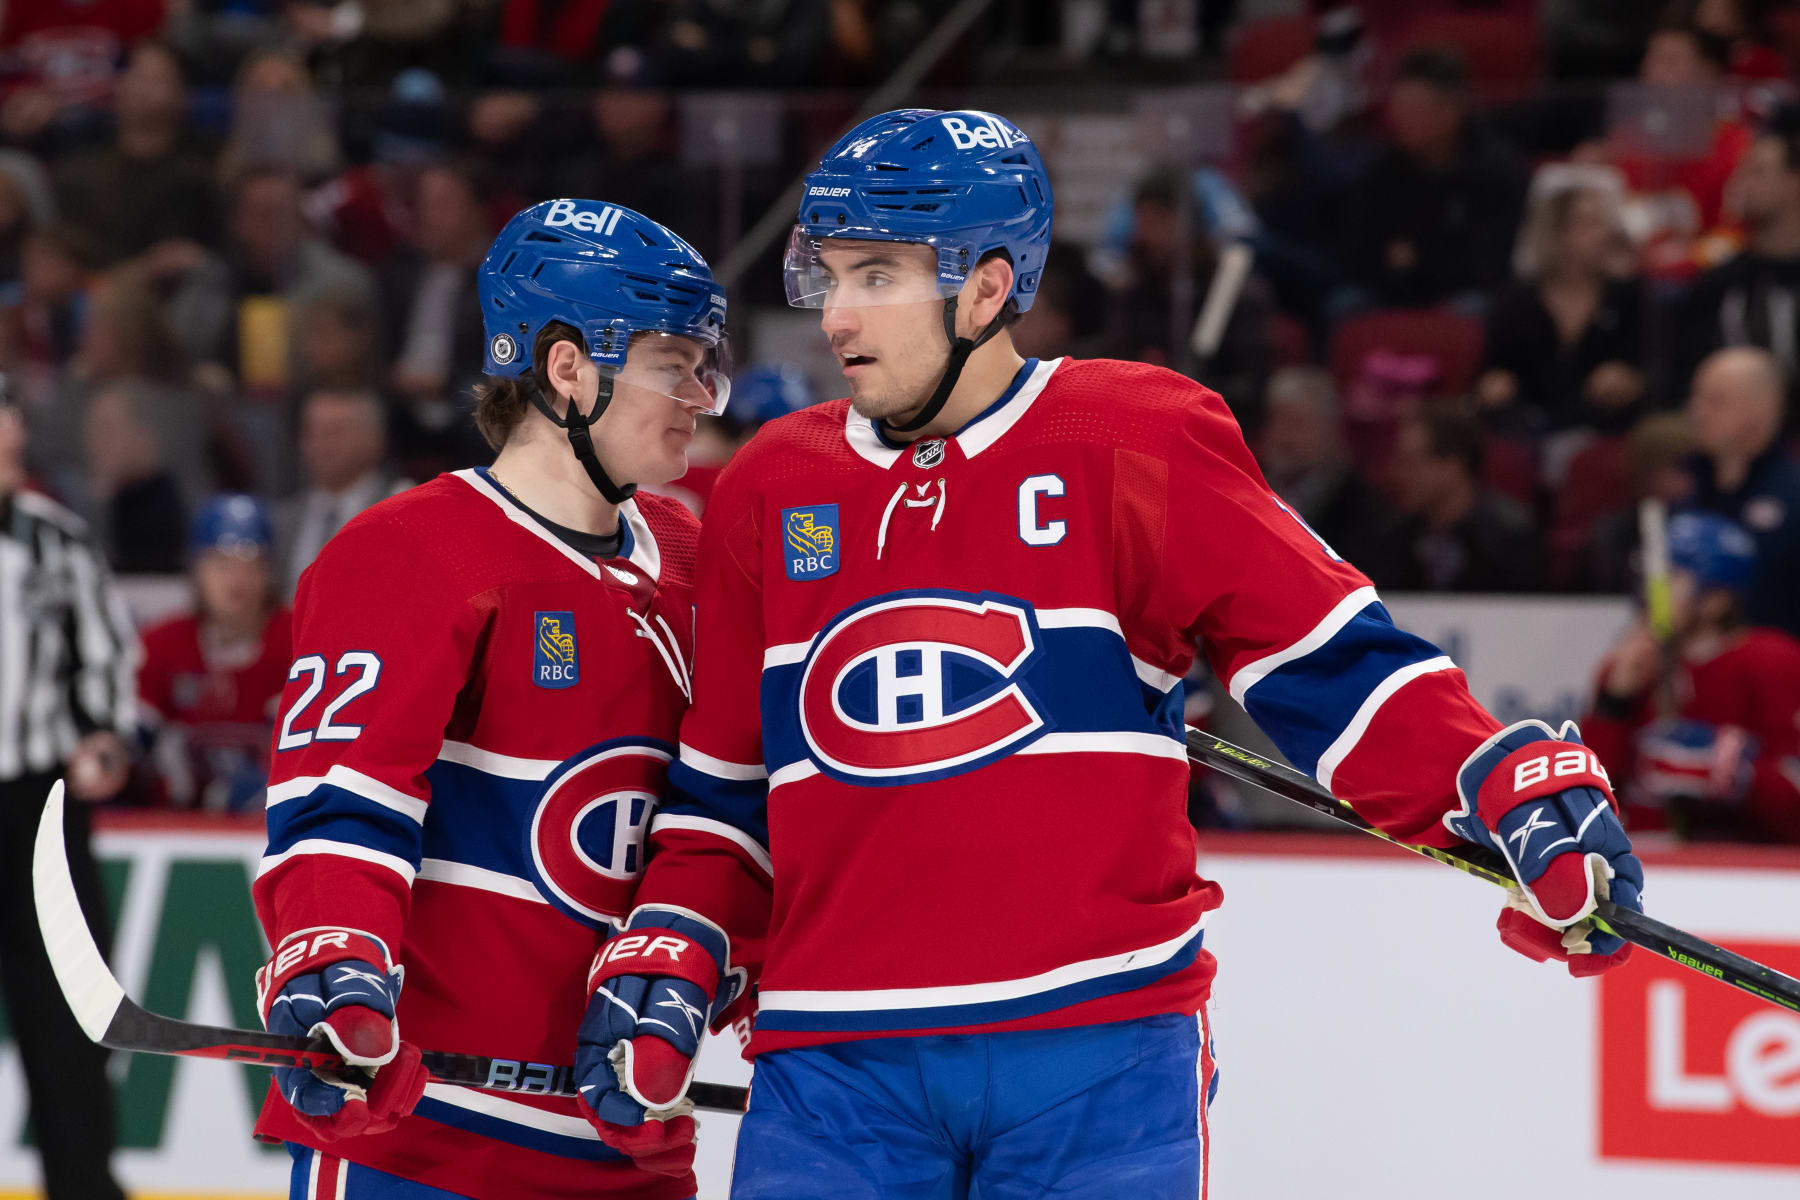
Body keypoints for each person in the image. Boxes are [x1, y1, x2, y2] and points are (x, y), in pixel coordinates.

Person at [578, 108, 1647, 1198]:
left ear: (986, 289)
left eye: (878, 277)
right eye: (831, 276)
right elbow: (725, 787)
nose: (838, 317)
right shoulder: (771, 482)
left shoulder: (1134, 437)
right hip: (835, 1065)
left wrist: (1492, 774)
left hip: (1101, 1048)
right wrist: (678, 929)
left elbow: (1328, 660)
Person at [249, 198, 731, 1199]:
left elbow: (729, 813)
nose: (700, 395)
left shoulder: (696, 559)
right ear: (567, 370)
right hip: (424, 1140)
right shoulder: (412, 551)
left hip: (628, 1145)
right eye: (672, 363)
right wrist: (334, 949)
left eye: (703, 364)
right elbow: (344, 802)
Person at [0, 386, 136, 1200]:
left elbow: (110, 659)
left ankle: (84, 1187)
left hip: (37, 810)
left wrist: (107, 736)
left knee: (66, 1018)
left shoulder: (57, 540)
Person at [1583, 512, 1800, 843]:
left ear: (1717, 600)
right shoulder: (1630, 665)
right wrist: (1613, 702)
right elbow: (1586, 803)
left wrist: (1737, 772)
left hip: (1755, 868)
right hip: (1650, 868)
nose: (1650, 593)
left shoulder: (1773, 661)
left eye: (1670, 578)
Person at [137, 495, 293, 810]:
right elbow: (130, 740)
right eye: (221, 563)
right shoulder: (162, 644)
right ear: (197, 570)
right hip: (175, 827)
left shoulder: (299, 641)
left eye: (250, 564)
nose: (236, 579)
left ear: (269, 571)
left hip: (273, 823)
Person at [1676, 119, 1800, 397]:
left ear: (1795, 182)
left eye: (1757, 171)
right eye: (1740, 171)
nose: (1740, 182)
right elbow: (1687, 372)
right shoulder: (1719, 282)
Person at [1683, 345, 1800, 637]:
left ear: (1763, 407)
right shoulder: (1684, 497)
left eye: (1716, 401)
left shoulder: (1794, 496)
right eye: (1696, 398)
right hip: (1697, 671)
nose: (1698, 411)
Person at [1389, 403, 1548, 593]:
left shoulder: (1511, 536)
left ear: (1452, 464)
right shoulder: (1398, 535)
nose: (1399, 474)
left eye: (1412, 463)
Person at [272, 387, 410, 596]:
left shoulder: (404, 513)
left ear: (376, 440)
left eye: (336, 431)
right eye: (312, 431)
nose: (321, 443)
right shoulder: (280, 520)